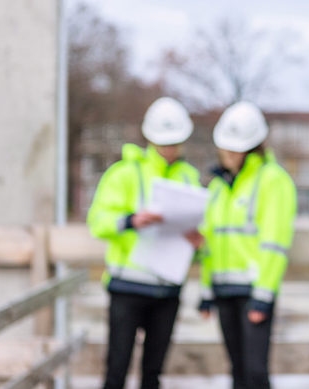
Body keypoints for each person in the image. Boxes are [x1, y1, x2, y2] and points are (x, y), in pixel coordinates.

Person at [87, 96, 200, 389]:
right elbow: (98, 222)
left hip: (168, 289)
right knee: (117, 368)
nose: (169, 149)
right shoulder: (123, 173)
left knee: (153, 373)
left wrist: (198, 241)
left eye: (174, 142)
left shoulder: (190, 178)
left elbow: (202, 231)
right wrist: (130, 221)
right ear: (150, 138)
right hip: (128, 286)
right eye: (164, 142)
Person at [197, 101, 297, 389]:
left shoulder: (273, 180)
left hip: (254, 291)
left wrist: (263, 297)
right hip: (223, 289)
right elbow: (211, 243)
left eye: (234, 147)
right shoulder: (217, 186)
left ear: (253, 146)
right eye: (224, 147)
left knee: (255, 373)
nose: (227, 153)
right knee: (237, 372)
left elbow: (275, 243)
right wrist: (206, 292)